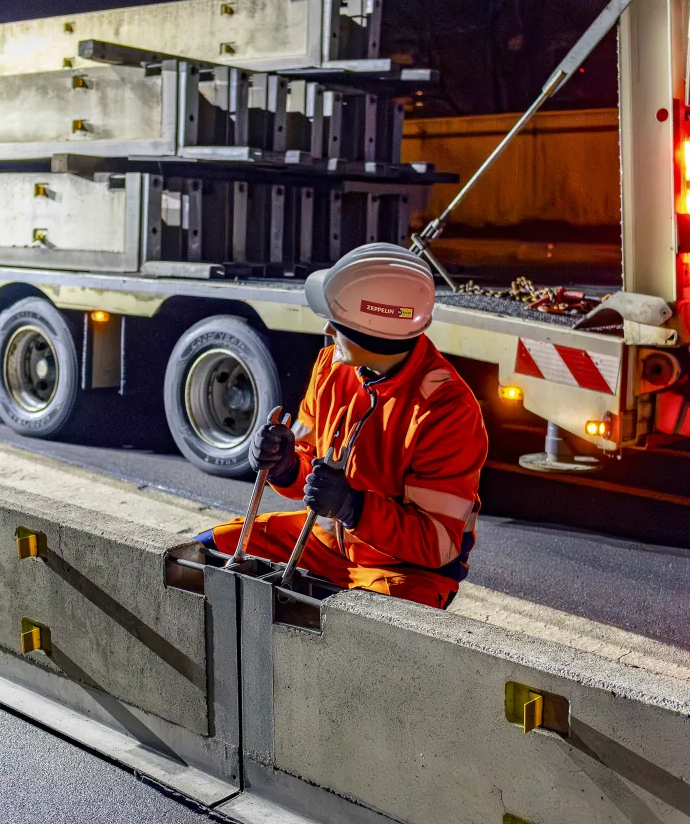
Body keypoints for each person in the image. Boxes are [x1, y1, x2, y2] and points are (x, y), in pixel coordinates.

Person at [197, 244, 489, 609]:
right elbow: (308, 460)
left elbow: (436, 544)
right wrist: (286, 465)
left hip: (404, 572)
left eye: (336, 321)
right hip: (321, 543)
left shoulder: (447, 410)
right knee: (201, 553)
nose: (326, 328)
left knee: (359, 640)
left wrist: (353, 508)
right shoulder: (331, 367)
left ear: (371, 333)